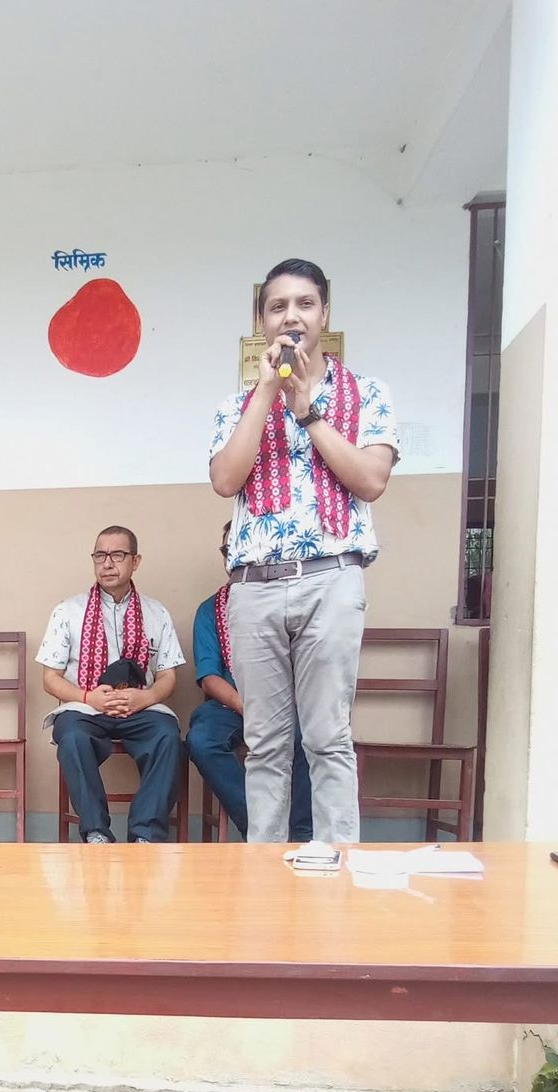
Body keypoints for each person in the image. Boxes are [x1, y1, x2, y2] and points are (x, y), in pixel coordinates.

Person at [208, 257, 399, 844]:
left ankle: (338, 866)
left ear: (324, 313)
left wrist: (307, 410)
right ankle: (264, 871)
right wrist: (268, 391)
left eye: (305, 304)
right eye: (278, 306)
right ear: (261, 321)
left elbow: (371, 480)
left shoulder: (368, 393)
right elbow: (225, 479)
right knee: (265, 742)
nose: (292, 316)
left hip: (331, 579)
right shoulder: (236, 405)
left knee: (328, 738)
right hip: (255, 586)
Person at [37, 525, 184, 842]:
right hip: (85, 707)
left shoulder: (156, 612)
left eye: (117, 555)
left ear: (136, 561)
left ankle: (145, 834)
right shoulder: (68, 611)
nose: (107, 564)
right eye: (100, 555)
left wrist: (145, 698)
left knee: (168, 736)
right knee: (72, 736)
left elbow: (168, 676)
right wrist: (88, 698)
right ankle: (96, 834)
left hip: (140, 707)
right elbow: (50, 678)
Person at [187, 525, 312, 842]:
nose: (235, 557)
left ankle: (300, 836)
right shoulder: (210, 610)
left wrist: (272, 705)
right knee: (201, 740)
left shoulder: (290, 604)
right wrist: (245, 705)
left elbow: (306, 667)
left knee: (307, 736)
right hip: (229, 706)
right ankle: (262, 829)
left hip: (283, 704)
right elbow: (209, 678)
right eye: (228, 551)